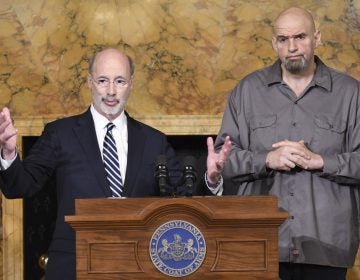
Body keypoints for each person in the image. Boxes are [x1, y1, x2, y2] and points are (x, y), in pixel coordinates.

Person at [0, 48, 230, 279]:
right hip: (73, 264)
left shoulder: (154, 141)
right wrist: (9, 154)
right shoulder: (61, 134)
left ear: (131, 83)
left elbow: (184, 201)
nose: (111, 91)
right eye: (103, 81)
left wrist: (211, 180)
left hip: (139, 264)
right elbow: (19, 186)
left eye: (119, 81)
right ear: (90, 81)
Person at [207, 6, 360, 280]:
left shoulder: (350, 94)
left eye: (300, 37)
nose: (292, 47)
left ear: (318, 38)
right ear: (274, 43)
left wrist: (321, 161)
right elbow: (223, 159)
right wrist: (267, 159)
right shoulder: (247, 91)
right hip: (259, 243)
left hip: (326, 246)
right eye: (283, 39)